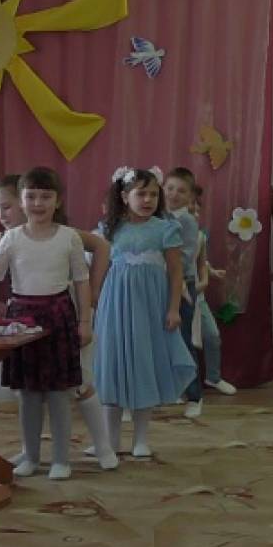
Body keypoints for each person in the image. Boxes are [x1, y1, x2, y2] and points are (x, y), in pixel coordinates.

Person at [0, 175, 118, 471]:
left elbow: (100, 248)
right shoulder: (6, 239)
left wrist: (93, 298)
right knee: (29, 391)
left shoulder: (67, 235)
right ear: (25, 200)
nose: (2, 214)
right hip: (24, 316)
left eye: (6, 206)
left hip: (64, 313)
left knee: (77, 384)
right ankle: (30, 454)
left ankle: (99, 447)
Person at [93, 167, 196, 457]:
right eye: (141, 194)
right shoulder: (110, 229)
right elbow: (99, 270)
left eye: (153, 194)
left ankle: (141, 439)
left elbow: (176, 272)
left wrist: (173, 308)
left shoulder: (165, 229)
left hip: (150, 307)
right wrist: (95, 303)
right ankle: (111, 440)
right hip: (115, 306)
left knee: (143, 365)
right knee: (112, 367)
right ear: (125, 197)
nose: (148, 200)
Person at [186, 184, 237, 403]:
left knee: (212, 336)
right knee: (183, 344)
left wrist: (211, 273)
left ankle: (213, 377)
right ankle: (181, 385)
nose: (195, 215)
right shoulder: (170, 234)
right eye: (191, 210)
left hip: (198, 297)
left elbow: (200, 261)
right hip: (179, 297)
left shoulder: (199, 237)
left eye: (197, 211)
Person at [163, 167, 205, 417]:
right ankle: (175, 388)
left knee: (184, 340)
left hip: (182, 284)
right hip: (161, 282)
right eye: (169, 188)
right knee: (165, 340)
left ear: (190, 197)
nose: (174, 194)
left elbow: (186, 255)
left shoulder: (187, 221)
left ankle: (195, 396)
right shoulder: (158, 217)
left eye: (181, 191)